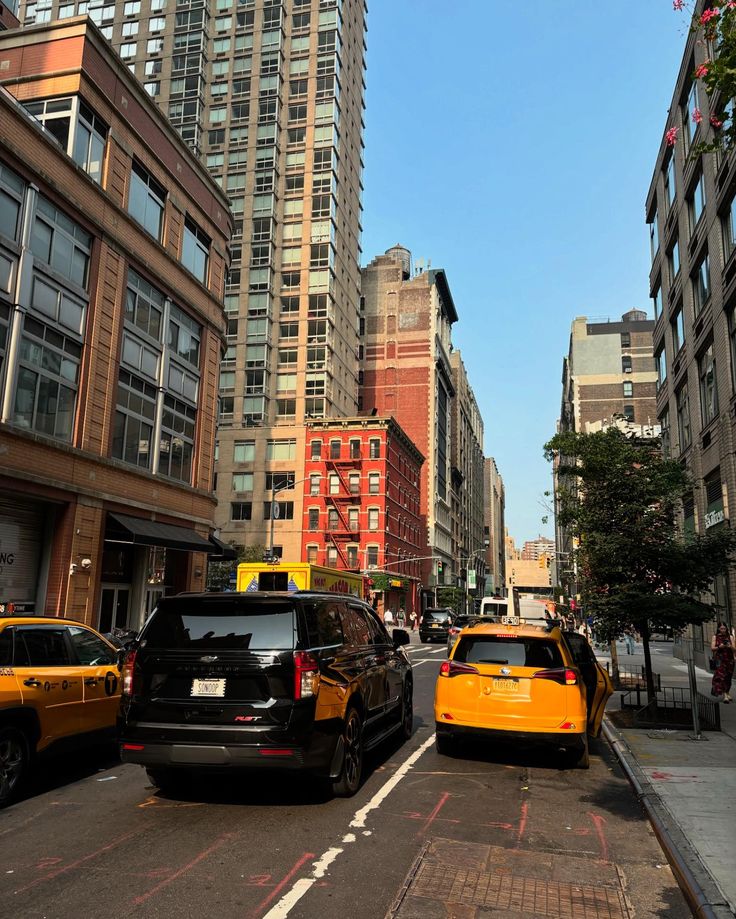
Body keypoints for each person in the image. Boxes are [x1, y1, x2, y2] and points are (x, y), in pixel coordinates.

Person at [711, 622, 734, 703]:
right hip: (720, 660)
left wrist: (730, 646)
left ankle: (727, 692)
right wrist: (719, 647)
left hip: (729, 660)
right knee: (721, 677)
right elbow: (712, 648)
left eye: (724, 628)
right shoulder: (715, 637)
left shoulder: (730, 637)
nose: (723, 630)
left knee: (728, 677)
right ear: (718, 629)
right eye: (721, 628)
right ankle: (725, 696)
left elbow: (734, 649)